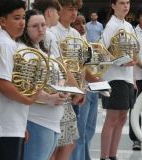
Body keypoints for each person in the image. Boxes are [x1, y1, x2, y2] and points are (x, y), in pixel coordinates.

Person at [0, 0, 41, 160]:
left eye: (23, 18)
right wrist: (28, 100)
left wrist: (20, 125)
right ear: (2, 21)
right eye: (16, 18)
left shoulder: (8, 42)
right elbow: (3, 85)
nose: (22, 23)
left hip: (8, 123)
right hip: (3, 124)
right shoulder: (5, 44)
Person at [19, 9, 68, 160]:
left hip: (53, 120)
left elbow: (60, 75)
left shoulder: (45, 51)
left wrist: (61, 90)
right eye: (35, 26)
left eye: (43, 25)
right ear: (25, 29)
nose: (40, 30)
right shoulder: (22, 52)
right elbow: (25, 86)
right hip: (36, 119)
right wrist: (49, 98)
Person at [99, 0, 136, 159]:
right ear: (113, 6)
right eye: (121, 3)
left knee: (122, 118)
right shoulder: (111, 25)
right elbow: (103, 52)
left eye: (127, 2)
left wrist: (133, 79)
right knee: (112, 118)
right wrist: (122, 62)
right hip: (114, 78)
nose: (126, 6)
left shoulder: (128, 26)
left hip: (127, 79)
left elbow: (134, 51)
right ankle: (103, 156)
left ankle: (113, 156)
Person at [50, 0, 85, 160]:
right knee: (57, 143)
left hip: (73, 90)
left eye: (76, 10)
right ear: (59, 10)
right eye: (70, 9)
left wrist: (81, 88)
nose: (74, 13)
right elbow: (61, 65)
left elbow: (80, 64)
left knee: (69, 140)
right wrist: (76, 87)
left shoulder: (75, 34)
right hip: (59, 91)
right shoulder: (53, 31)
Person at [70, 13, 101, 160]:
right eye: (78, 23)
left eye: (83, 23)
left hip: (92, 89)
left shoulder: (86, 41)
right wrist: (95, 79)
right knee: (80, 132)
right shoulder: (74, 41)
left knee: (90, 129)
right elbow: (81, 68)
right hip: (83, 90)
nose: (82, 26)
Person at [129, 5, 142, 151]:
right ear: (138, 17)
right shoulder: (133, 33)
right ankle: (136, 139)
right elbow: (133, 55)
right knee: (135, 108)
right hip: (137, 77)